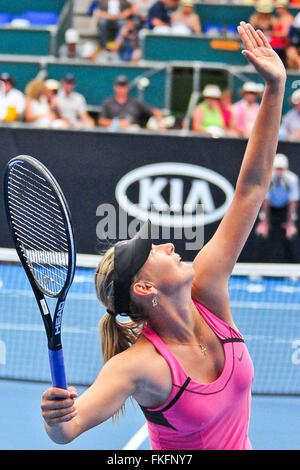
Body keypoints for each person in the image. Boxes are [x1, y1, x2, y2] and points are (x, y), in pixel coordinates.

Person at [41, 22, 286, 450]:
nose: (171, 245)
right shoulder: (139, 365)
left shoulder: (208, 290)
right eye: (154, 249)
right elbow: (68, 431)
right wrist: (56, 416)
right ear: (144, 286)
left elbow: (250, 189)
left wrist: (274, 89)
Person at [255, 153, 300, 262]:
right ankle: (258, 267)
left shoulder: (292, 179)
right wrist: (265, 222)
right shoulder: (268, 178)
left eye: (281, 169)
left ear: (286, 168)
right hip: (270, 209)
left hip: (285, 209)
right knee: (261, 234)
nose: (279, 172)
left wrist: (290, 223)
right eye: (277, 169)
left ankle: (292, 269)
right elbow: (265, 201)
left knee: (291, 235)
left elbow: (292, 202)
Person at [98, 74, 163, 129]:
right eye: (119, 87)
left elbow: (154, 111)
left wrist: (161, 123)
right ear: (115, 87)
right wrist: (118, 123)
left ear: (127, 88)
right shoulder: (108, 103)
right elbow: (101, 121)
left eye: (123, 87)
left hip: (133, 134)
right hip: (114, 133)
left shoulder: (136, 102)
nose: (121, 89)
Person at [268, 0, 294, 66]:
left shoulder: (287, 18)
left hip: (280, 46)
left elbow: (284, 34)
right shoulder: (280, 18)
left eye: (280, 8)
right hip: (275, 45)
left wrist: (270, 33)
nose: (278, 10)